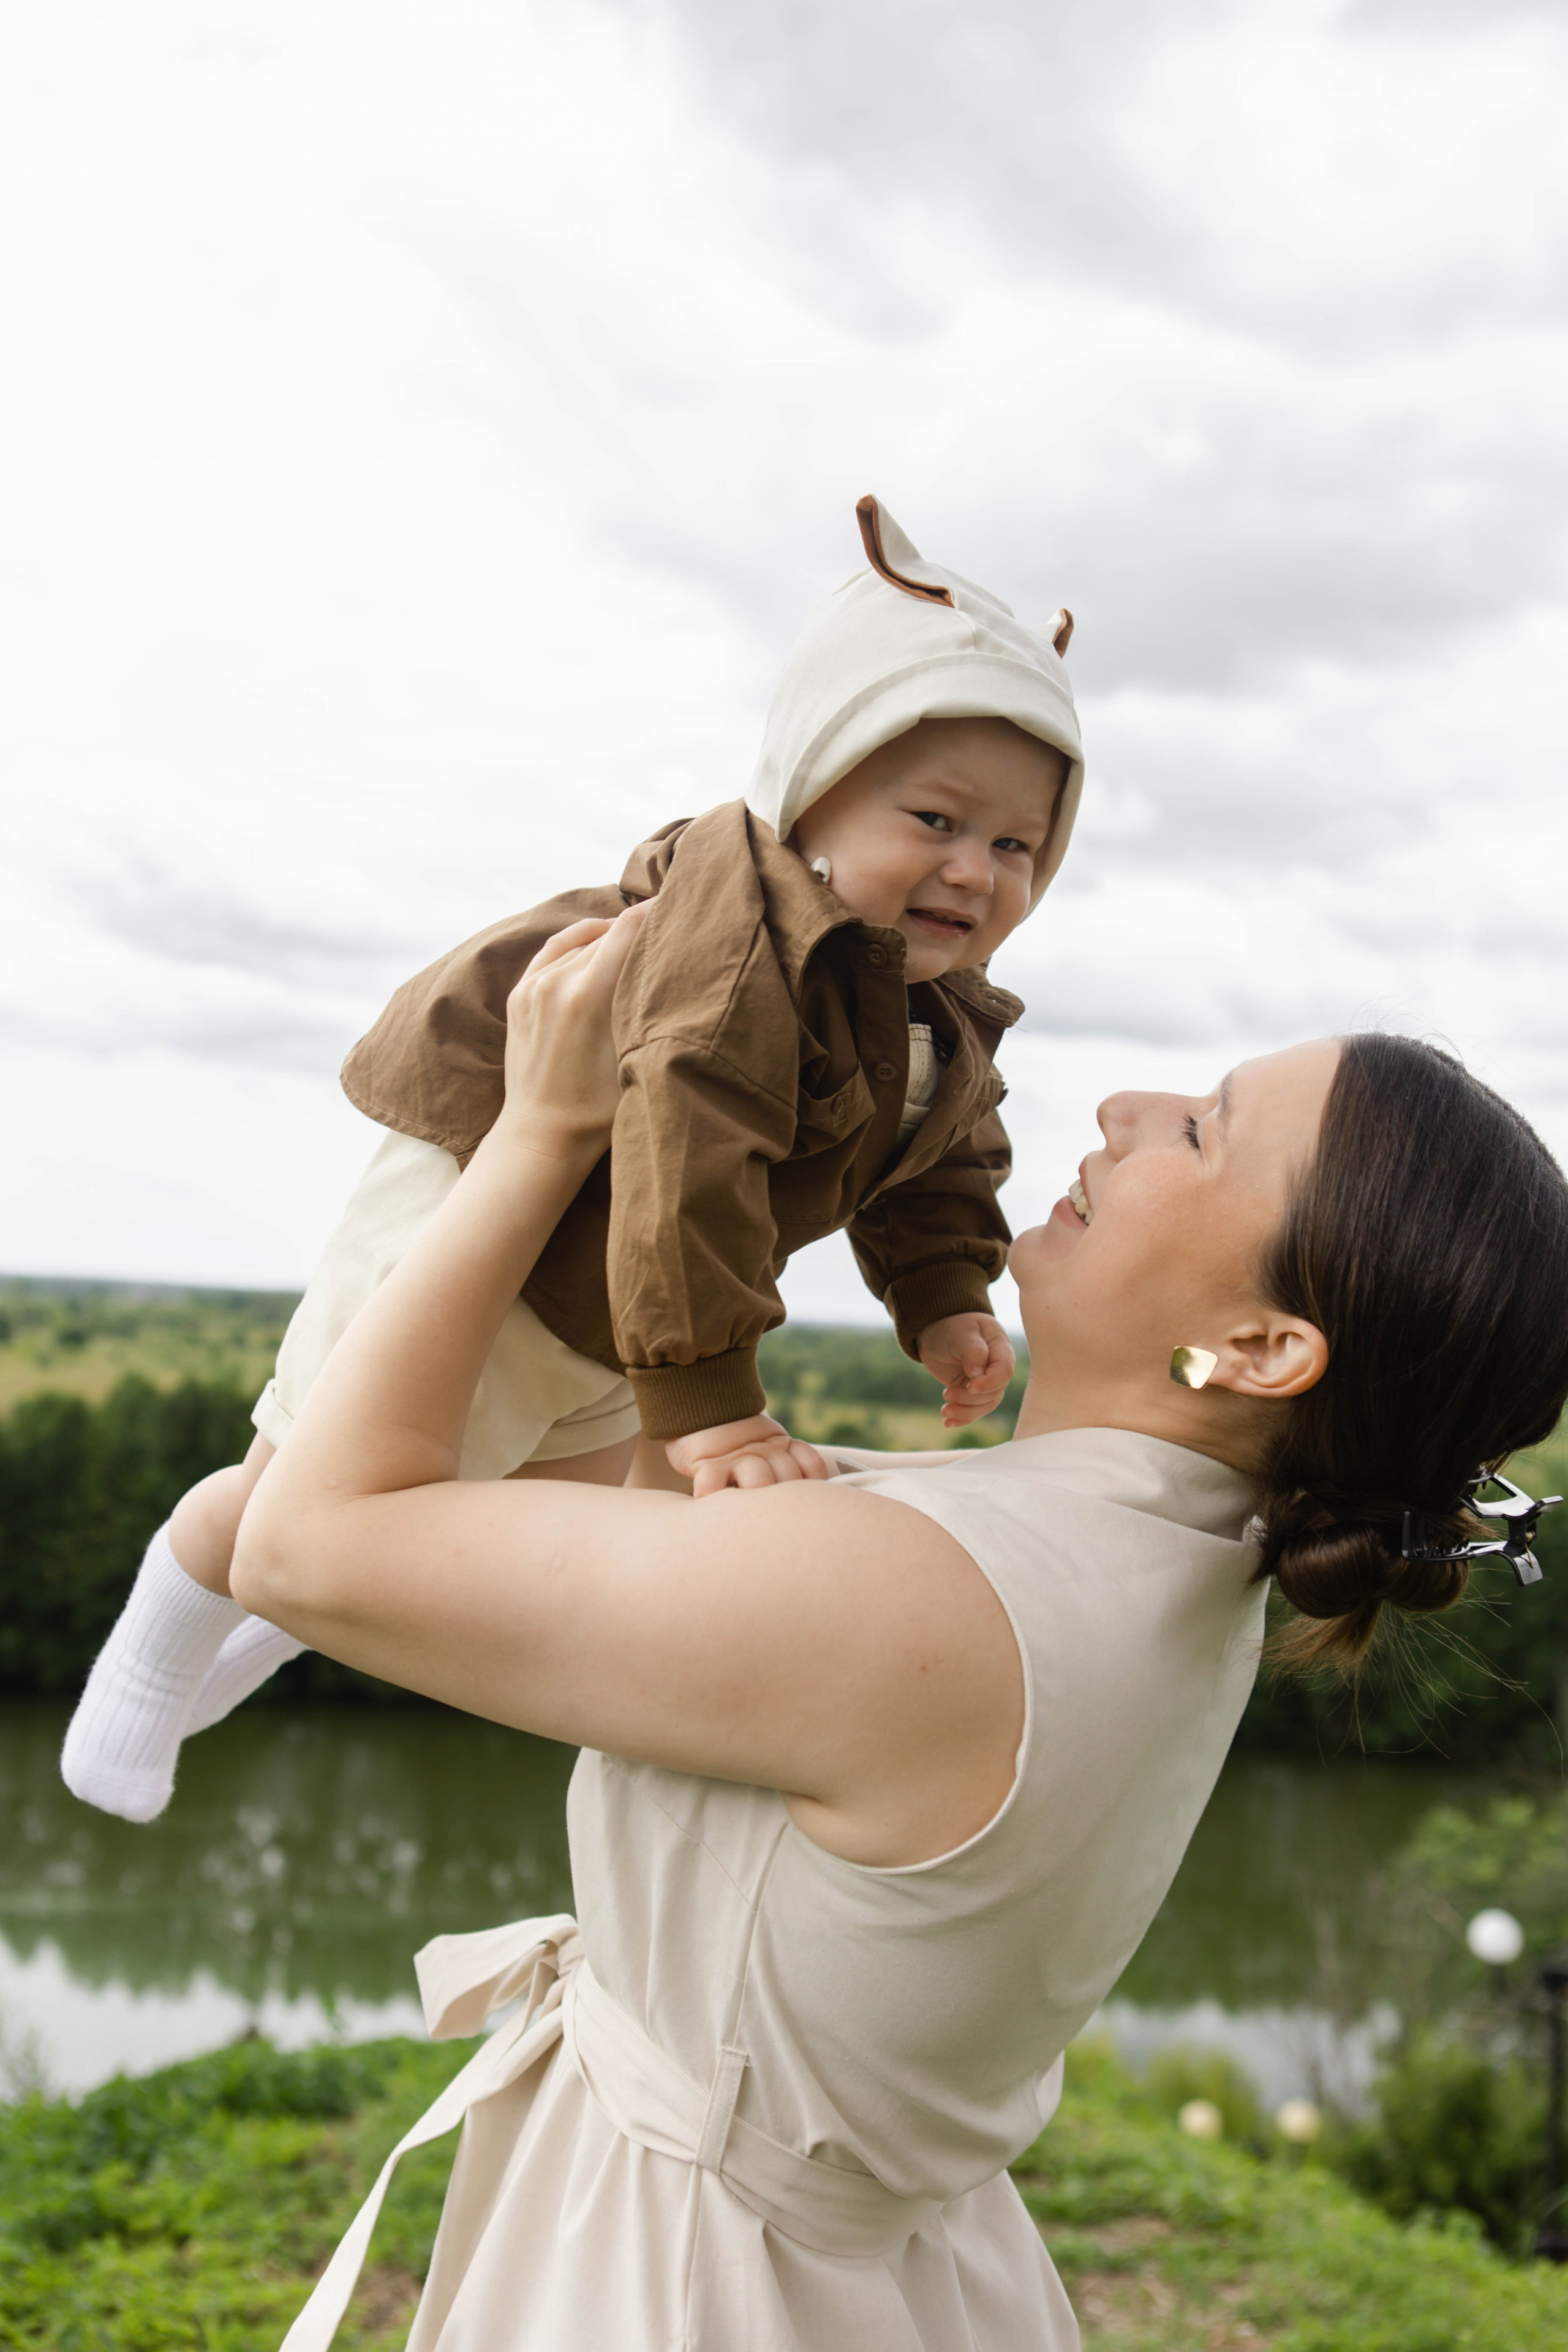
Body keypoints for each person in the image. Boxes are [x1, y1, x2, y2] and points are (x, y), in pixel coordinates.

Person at [229, 914, 1568, 2351]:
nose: (1125, 1110)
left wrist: (541, 1137)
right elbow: (597, 1494)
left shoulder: (940, 1594)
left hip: (679, 2288)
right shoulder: (1164, 1549)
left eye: (1200, 1130)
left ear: (1256, 1350)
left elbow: (307, 1549)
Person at [61, 494, 1084, 1822]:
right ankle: (148, 1668)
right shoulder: (732, 952)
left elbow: (944, 1151)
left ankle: (273, 1619)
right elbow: (692, 1142)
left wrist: (943, 1292)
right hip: (487, 1208)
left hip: (627, 1291)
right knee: (289, 1492)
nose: (976, 870)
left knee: (499, 1527)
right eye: (935, 821)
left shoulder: (930, 1008)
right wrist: (716, 1405)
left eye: (1015, 845)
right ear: (809, 800)